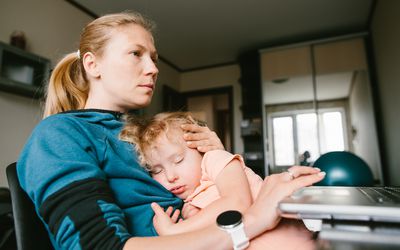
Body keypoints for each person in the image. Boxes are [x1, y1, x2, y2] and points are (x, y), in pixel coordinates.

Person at [17, 11, 325, 249]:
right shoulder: (60, 135)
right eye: (136, 54)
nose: (153, 68)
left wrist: (215, 159)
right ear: (92, 64)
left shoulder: (147, 133)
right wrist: (253, 221)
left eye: (153, 58)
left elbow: (205, 192)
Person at [120, 112, 320, 249]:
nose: (171, 176)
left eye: (179, 160)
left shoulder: (216, 159)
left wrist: (174, 231)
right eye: (157, 170)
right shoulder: (190, 203)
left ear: (199, 148)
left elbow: (236, 204)